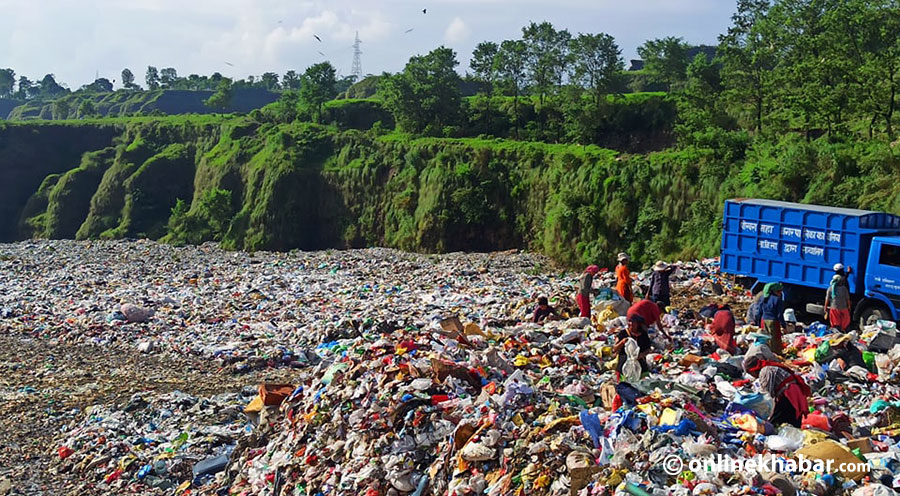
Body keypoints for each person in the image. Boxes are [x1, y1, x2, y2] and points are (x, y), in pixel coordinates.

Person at [743, 355, 811, 428]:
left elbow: (766, 393)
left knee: (778, 419)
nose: (752, 376)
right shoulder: (768, 367)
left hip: (788, 393)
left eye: (750, 373)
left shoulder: (765, 371)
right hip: (791, 391)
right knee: (791, 417)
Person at [614, 303, 658, 377]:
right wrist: (622, 342)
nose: (630, 324)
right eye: (629, 321)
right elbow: (615, 348)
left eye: (633, 322)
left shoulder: (643, 335)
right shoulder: (623, 333)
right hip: (624, 361)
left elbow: (648, 349)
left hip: (638, 361)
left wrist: (641, 355)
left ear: (638, 324)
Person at [760, 282, 786, 354]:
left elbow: (759, 310)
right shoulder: (777, 299)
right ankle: (775, 354)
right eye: (779, 291)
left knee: (765, 337)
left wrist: (758, 321)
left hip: (764, 320)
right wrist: (783, 325)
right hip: (773, 321)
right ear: (774, 291)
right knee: (775, 339)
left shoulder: (763, 298)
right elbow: (779, 314)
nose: (780, 293)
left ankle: (766, 352)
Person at [824, 263, 852, 331]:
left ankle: (837, 331)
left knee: (836, 322)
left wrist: (825, 308)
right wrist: (849, 307)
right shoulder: (843, 288)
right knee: (845, 320)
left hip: (834, 308)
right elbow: (847, 299)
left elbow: (827, 299)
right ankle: (842, 330)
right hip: (843, 307)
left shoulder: (830, 288)